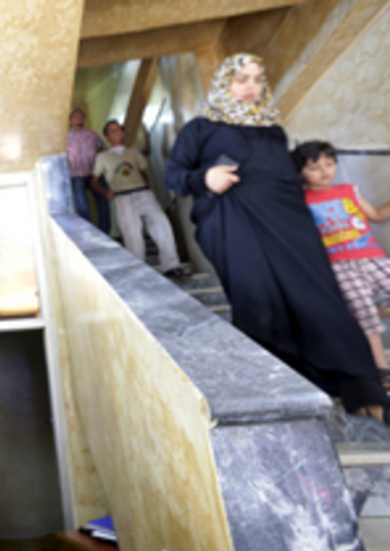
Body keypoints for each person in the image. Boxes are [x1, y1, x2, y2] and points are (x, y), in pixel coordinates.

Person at [164, 53, 390, 421]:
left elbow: (287, 177)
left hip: (289, 224)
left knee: (318, 297)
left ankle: (361, 387)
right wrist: (204, 179)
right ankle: (282, 388)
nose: (251, 86)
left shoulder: (273, 130)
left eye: (257, 78)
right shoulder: (200, 129)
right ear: (224, 84)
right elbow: (173, 175)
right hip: (232, 223)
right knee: (259, 302)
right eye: (241, 79)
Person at [292, 140, 390, 376]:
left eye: (329, 164)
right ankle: (381, 367)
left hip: (372, 257)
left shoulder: (349, 190)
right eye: (314, 167)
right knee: (364, 313)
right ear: (300, 172)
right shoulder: (300, 199)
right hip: (338, 264)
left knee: (367, 309)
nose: (324, 171)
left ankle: (379, 309)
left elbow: (376, 215)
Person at [91, 120, 185, 277]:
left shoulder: (133, 151)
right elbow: (93, 181)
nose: (116, 132)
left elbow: (142, 170)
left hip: (143, 192)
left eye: (118, 129)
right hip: (122, 197)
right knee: (131, 234)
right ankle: (140, 271)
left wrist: (148, 183)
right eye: (111, 131)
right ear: (107, 137)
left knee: (161, 224)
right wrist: (105, 191)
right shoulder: (103, 157)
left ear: (123, 133)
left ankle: (171, 265)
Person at [65, 108, 110, 234]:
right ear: (69, 121)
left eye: (81, 116)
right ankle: (87, 235)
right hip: (76, 176)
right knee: (82, 206)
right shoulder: (66, 139)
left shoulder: (92, 135)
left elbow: (101, 147)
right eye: (75, 116)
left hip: (95, 174)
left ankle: (105, 234)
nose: (78, 118)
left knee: (102, 203)